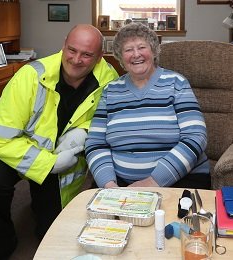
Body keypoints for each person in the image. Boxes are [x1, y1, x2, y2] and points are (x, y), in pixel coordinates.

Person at [0, 24, 119, 260]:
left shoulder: (109, 78)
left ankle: (41, 207)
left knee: (50, 234)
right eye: (72, 50)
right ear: (63, 45)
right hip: (19, 150)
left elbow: (110, 120)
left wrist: (84, 130)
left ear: (99, 57)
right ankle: (2, 237)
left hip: (65, 158)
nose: (77, 59)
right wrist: (47, 163)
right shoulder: (30, 75)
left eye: (87, 54)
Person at [85, 22, 211, 190]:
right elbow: (95, 142)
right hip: (120, 185)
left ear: (153, 50)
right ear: (120, 57)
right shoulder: (111, 91)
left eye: (141, 47)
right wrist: (108, 184)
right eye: (128, 50)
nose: (136, 54)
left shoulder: (176, 83)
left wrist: (152, 182)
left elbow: (196, 137)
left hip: (180, 181)